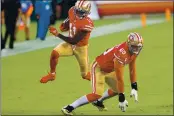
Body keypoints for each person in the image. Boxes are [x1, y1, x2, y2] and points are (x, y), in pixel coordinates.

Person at [61, 32, 144, 115]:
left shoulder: (133, 51)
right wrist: (121, 98)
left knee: (117, 90)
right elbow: (120, 78)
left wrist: (134, 86)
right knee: (96, 94)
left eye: (138, 47)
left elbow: (132, 67)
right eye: (134, 46)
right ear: (128, 44)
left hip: (110, 69)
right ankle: (69, 107)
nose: (136, 49)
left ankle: (98, 101)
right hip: (99, 68)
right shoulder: (122, 54)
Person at [40, 0, 94, 83]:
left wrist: (57, 34)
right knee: (55, 53)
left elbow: (74, 41)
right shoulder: (72, 10)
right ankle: (52, 74)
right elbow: (70, 18)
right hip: (69, 45)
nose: (77, 13)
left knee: (85, 75)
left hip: (81, 48)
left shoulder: (87, 23)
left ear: (87, 12)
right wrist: (65, 24)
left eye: (80, 11)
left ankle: (100, 80)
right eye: (77, 10)